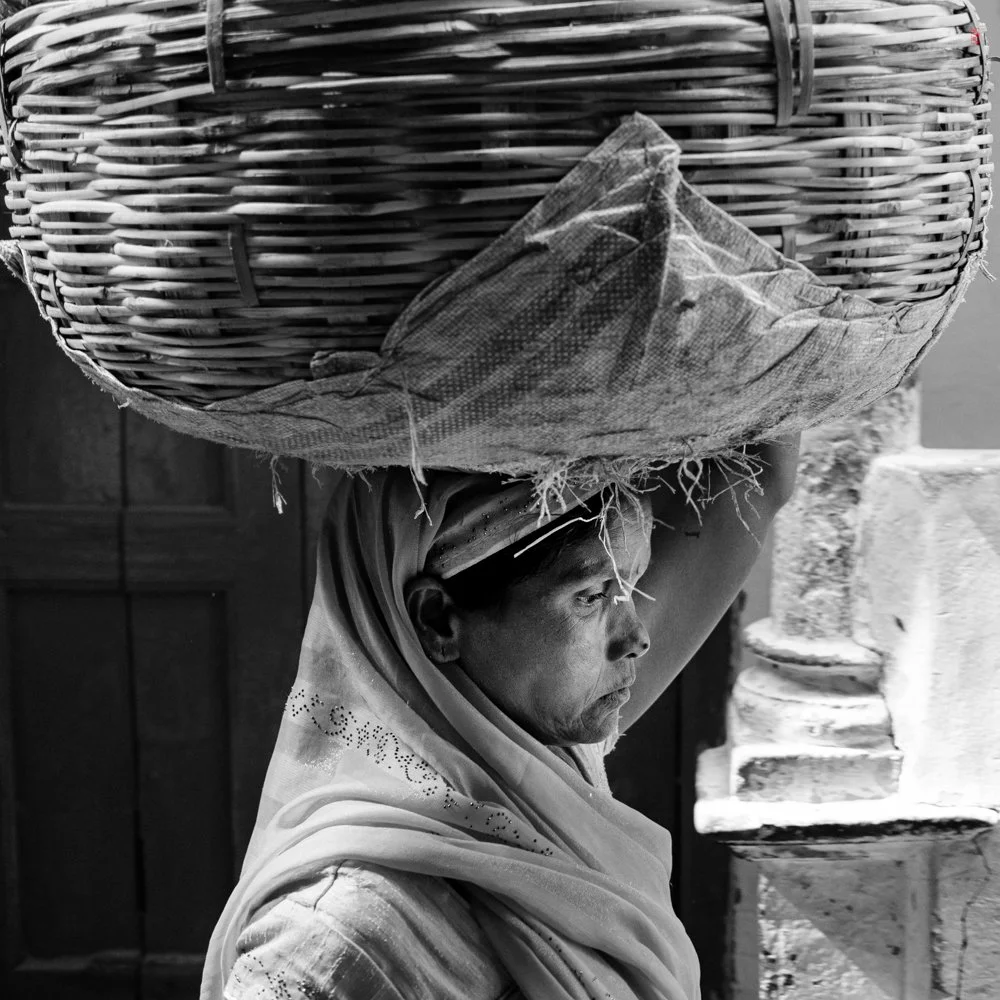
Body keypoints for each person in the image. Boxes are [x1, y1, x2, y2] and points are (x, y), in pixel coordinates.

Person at [202, 439, 799, 1000]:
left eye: (633, 587)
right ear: (438, 619)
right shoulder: (335, 936)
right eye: (592, 597)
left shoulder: (539, 774)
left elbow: (760, 483)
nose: (637, 637)